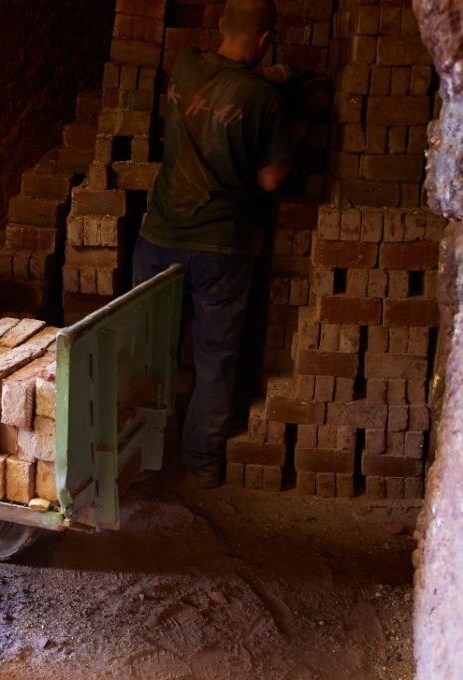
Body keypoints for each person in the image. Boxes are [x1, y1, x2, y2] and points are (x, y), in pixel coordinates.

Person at [132, 0, 291, 489]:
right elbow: (270, 179)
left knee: (146, 352)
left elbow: (218, 79)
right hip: (221, 246)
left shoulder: (185, 65)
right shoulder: (264, 98)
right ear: (265, 41)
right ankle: (201, 463)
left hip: (158, 236)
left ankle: (139, 458)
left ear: (221, 25)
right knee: (214, 360)